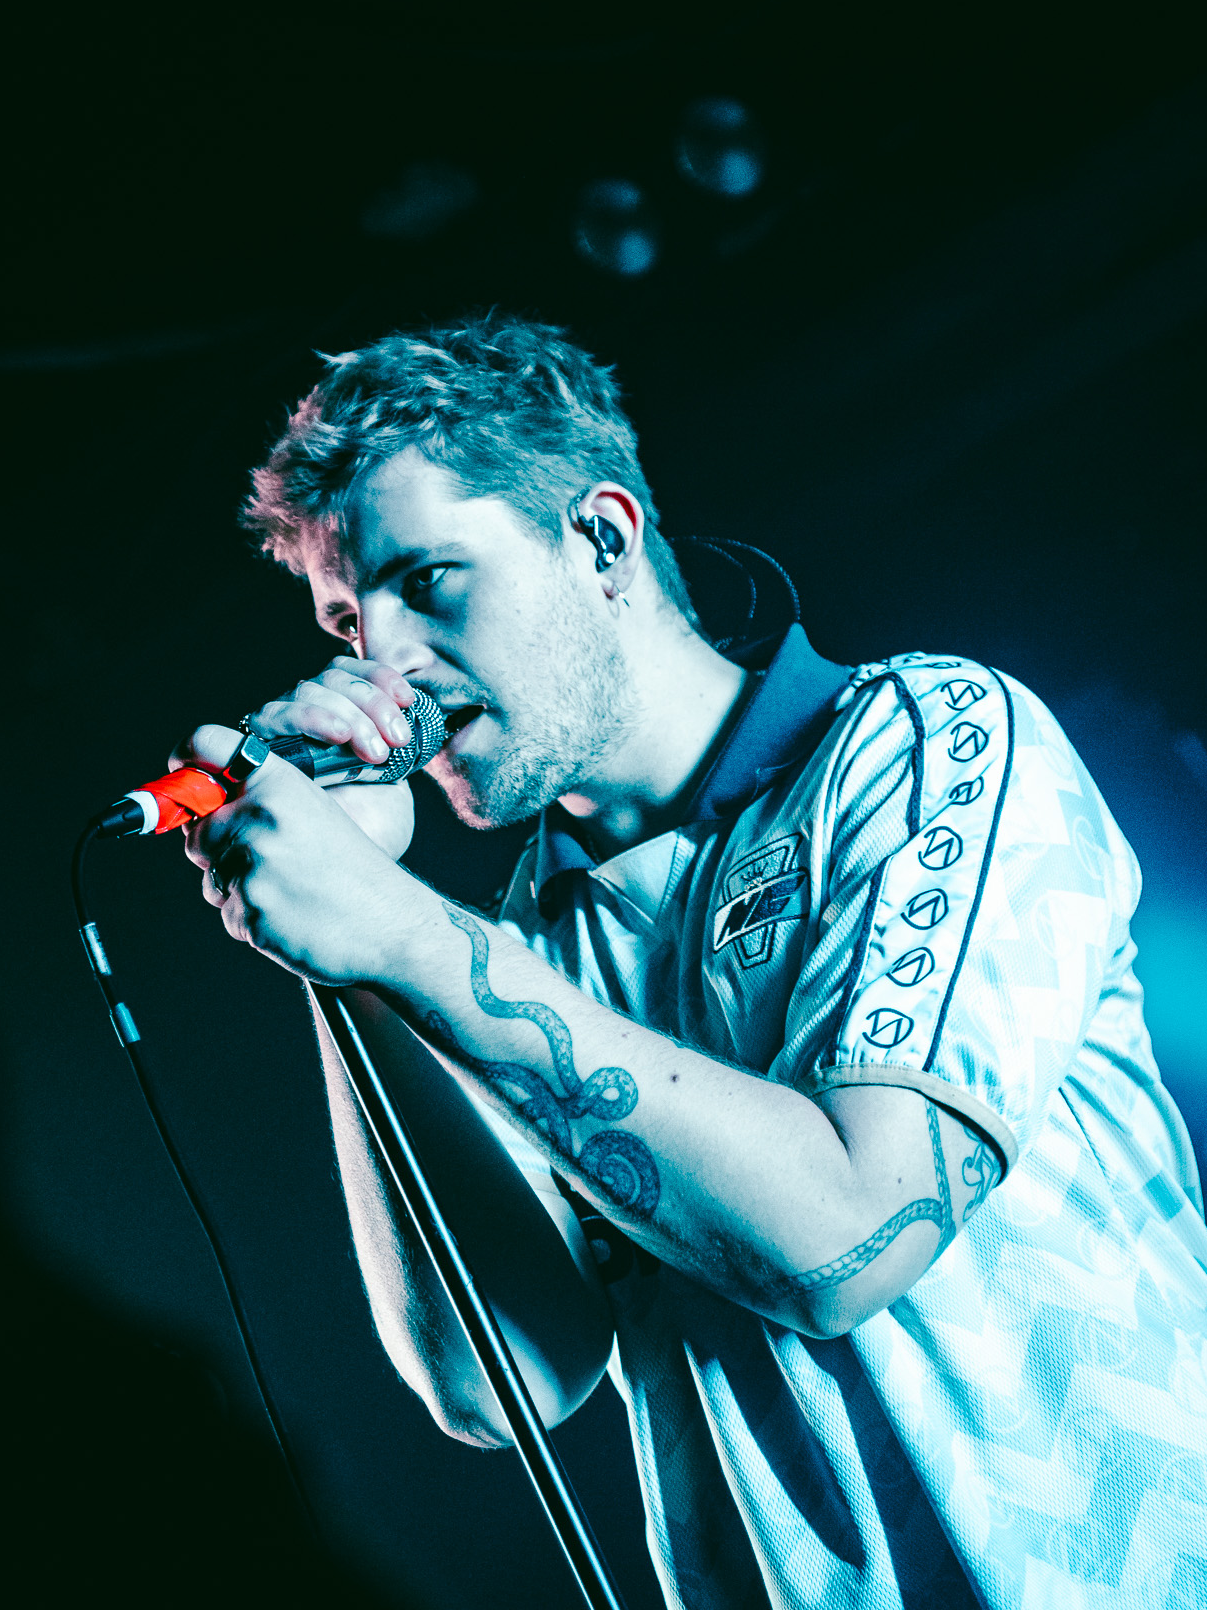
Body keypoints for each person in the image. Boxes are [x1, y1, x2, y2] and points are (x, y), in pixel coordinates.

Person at [176, 314, 1207, 1610]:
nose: (381, 660)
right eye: (344, 620)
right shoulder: (508, 951)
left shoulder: (927, 738)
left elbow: (847, 1239)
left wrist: (399, 931)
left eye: (428, 581)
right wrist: (353, 948)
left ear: (602, 541)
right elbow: (495, 1384)